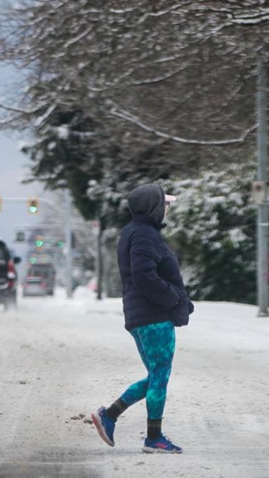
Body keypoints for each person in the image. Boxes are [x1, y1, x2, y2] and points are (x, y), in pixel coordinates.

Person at [92, 183, 194, 454]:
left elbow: (148, 274)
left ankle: (110, 415)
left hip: (144, 316)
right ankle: (154, 438)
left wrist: (180, 299)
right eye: (165, 204)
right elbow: (145, 275)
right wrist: (173, 298)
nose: (167, 209)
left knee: (156, 376)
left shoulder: (136, 233)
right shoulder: (144, 235)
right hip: (153, 317)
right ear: (153, 207)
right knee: (160, 376)